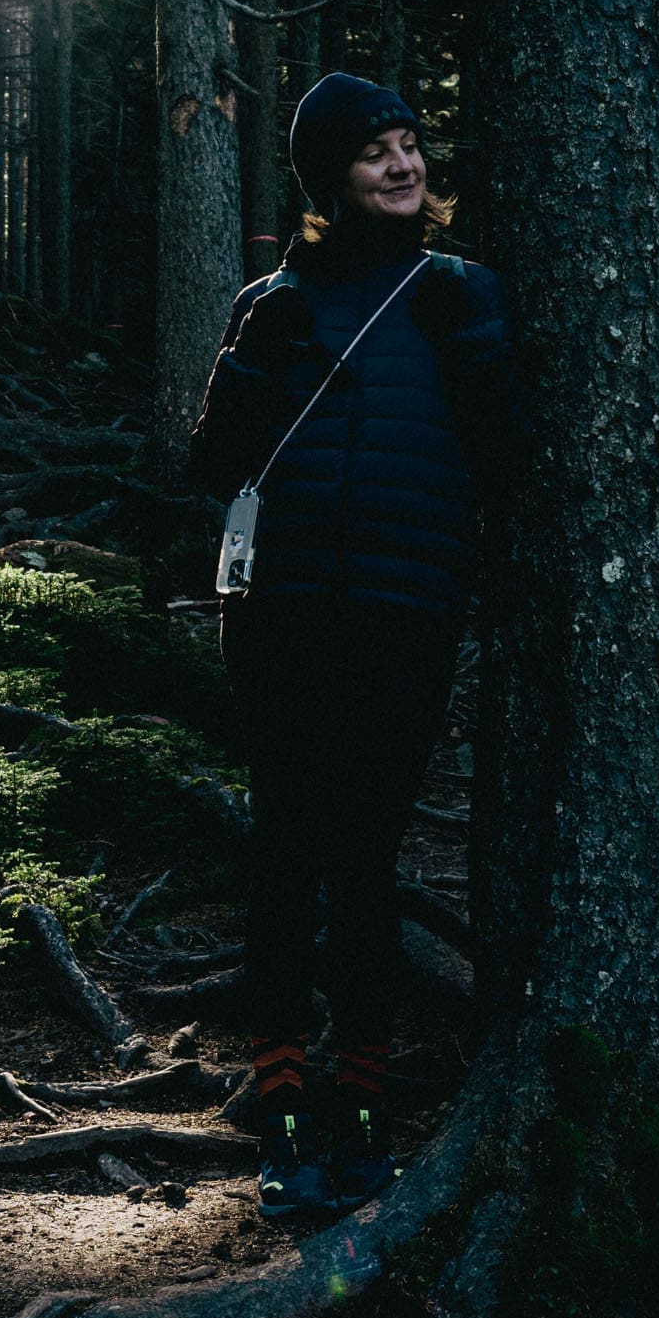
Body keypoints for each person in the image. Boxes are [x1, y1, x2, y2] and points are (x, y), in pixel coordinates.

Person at [190, 72, 525, 1220]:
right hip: (279, 614)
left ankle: (365, 1115)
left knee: (368, 861)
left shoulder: (461, 291)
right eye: (376, 151)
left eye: (410, 143)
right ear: (331, 177)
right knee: (284, 855)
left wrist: (478, 344)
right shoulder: (269, 300)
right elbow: (209, 471)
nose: (404, 164)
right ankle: (285, 1116)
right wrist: (249, 359)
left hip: (401, 616)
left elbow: (508, 465)